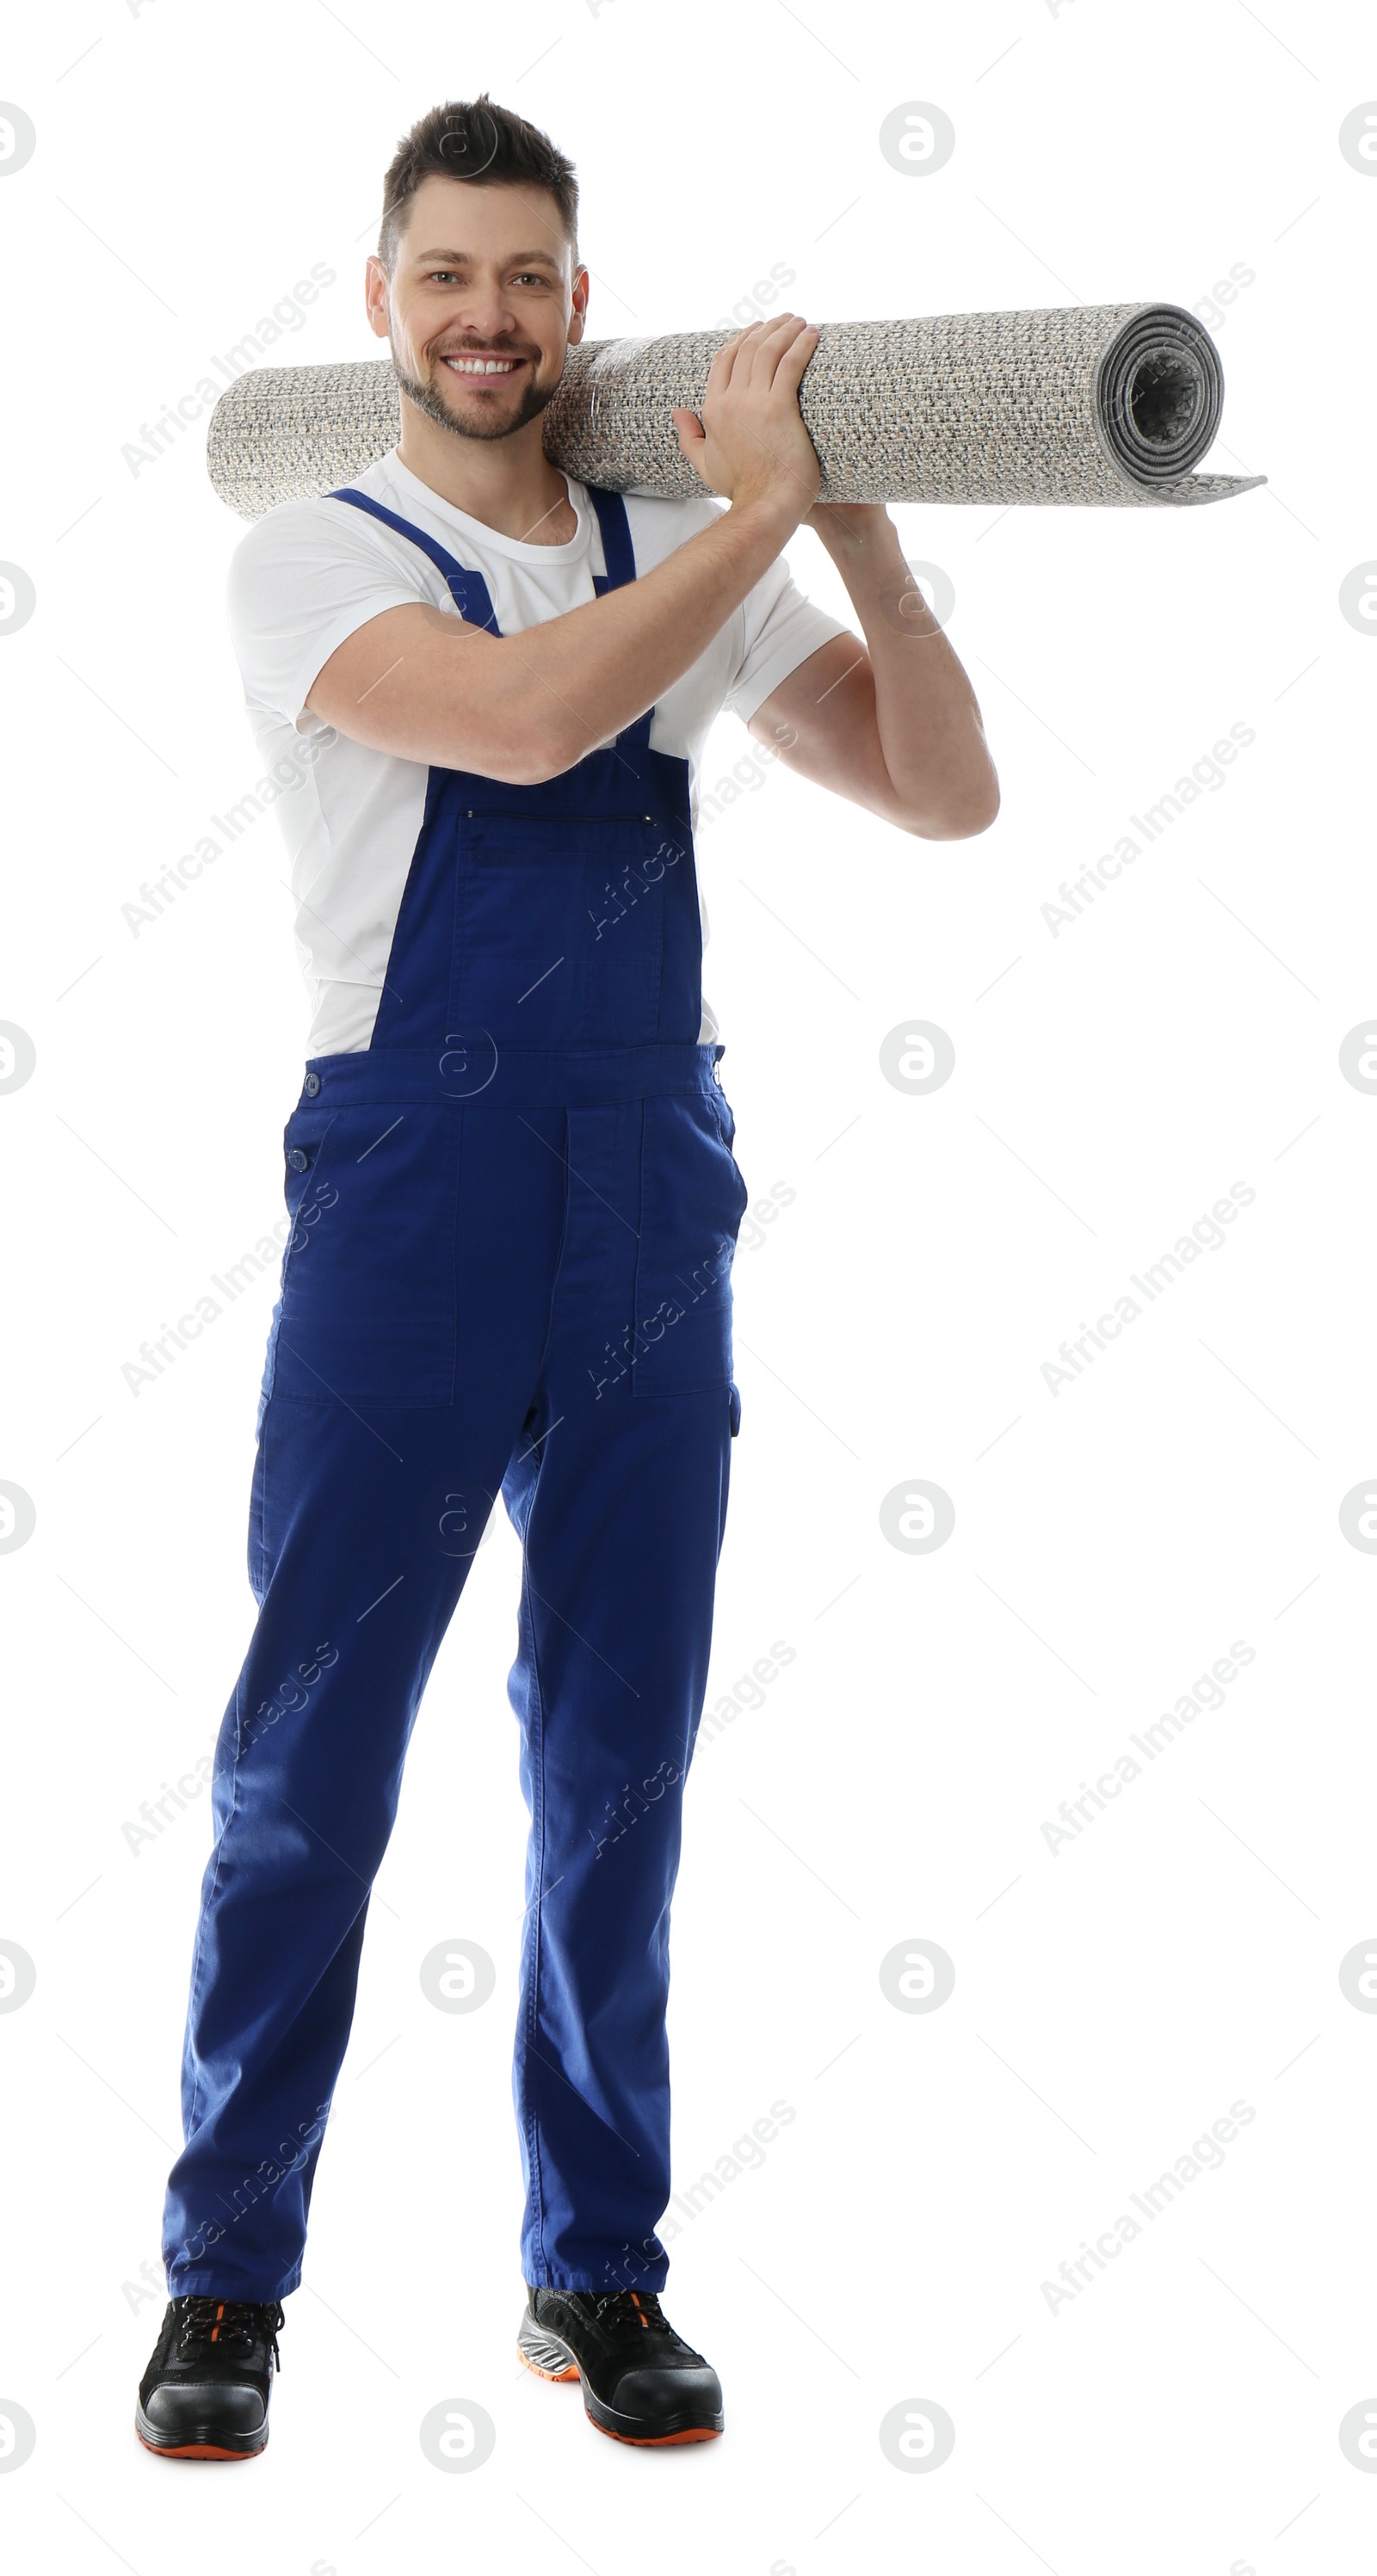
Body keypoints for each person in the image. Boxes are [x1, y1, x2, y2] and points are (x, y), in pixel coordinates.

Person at [135, 91, 999, 2462]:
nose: (490, 317)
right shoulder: (317, 556)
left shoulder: (664, 548)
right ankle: (227, 2274)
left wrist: (869, 557)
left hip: (647, 1199)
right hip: (413, 1203)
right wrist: (762, 521)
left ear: (580, 303)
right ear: (383, 297)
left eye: (529, 275)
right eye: (448, 275)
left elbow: (945, 793)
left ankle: (593, 2268)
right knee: (311, 1765)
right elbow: (529, 719)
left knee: (616, 1762)